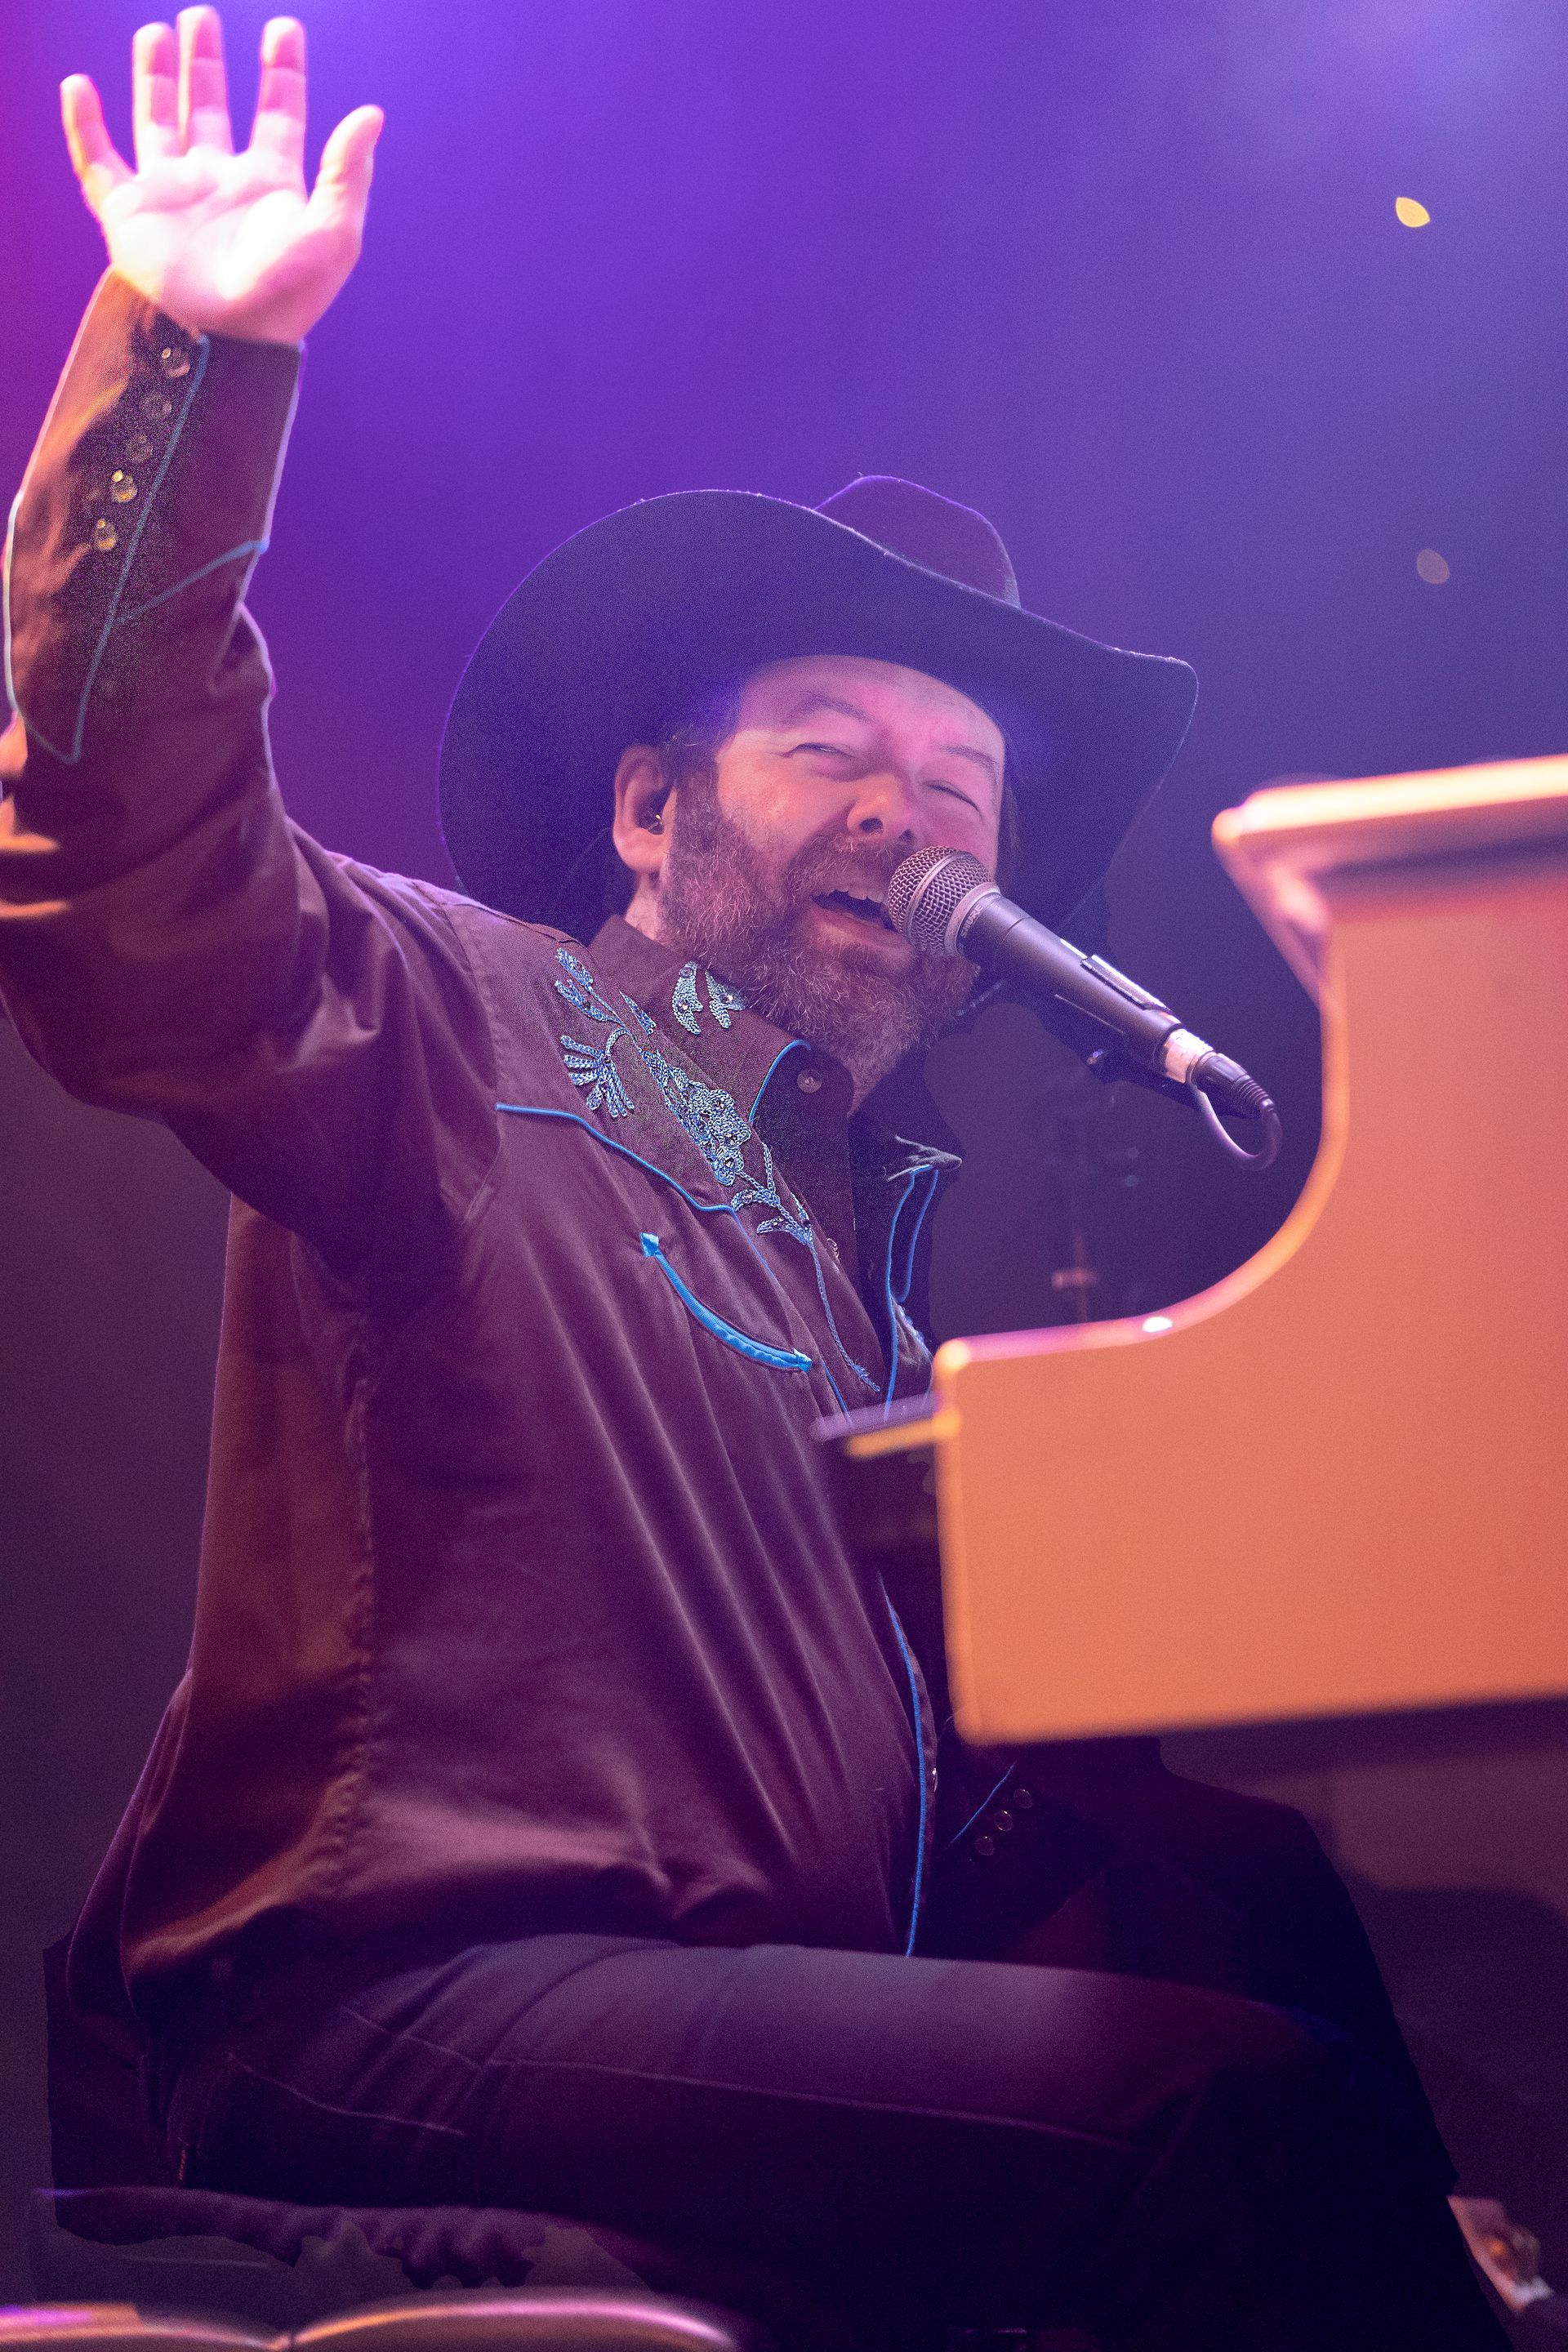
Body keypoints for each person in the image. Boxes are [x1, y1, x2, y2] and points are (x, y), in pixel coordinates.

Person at [1, 12, 1506, 2348]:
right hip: (400, 2002)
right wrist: (191, 365)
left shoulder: (847, 1241)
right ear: (645, 814)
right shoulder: (463, 1020)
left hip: (721, 2021)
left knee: (1288, 1934)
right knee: (1219, 2111)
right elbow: (126, 872)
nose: (913, 817)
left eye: (966, 789)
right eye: (835, 749)